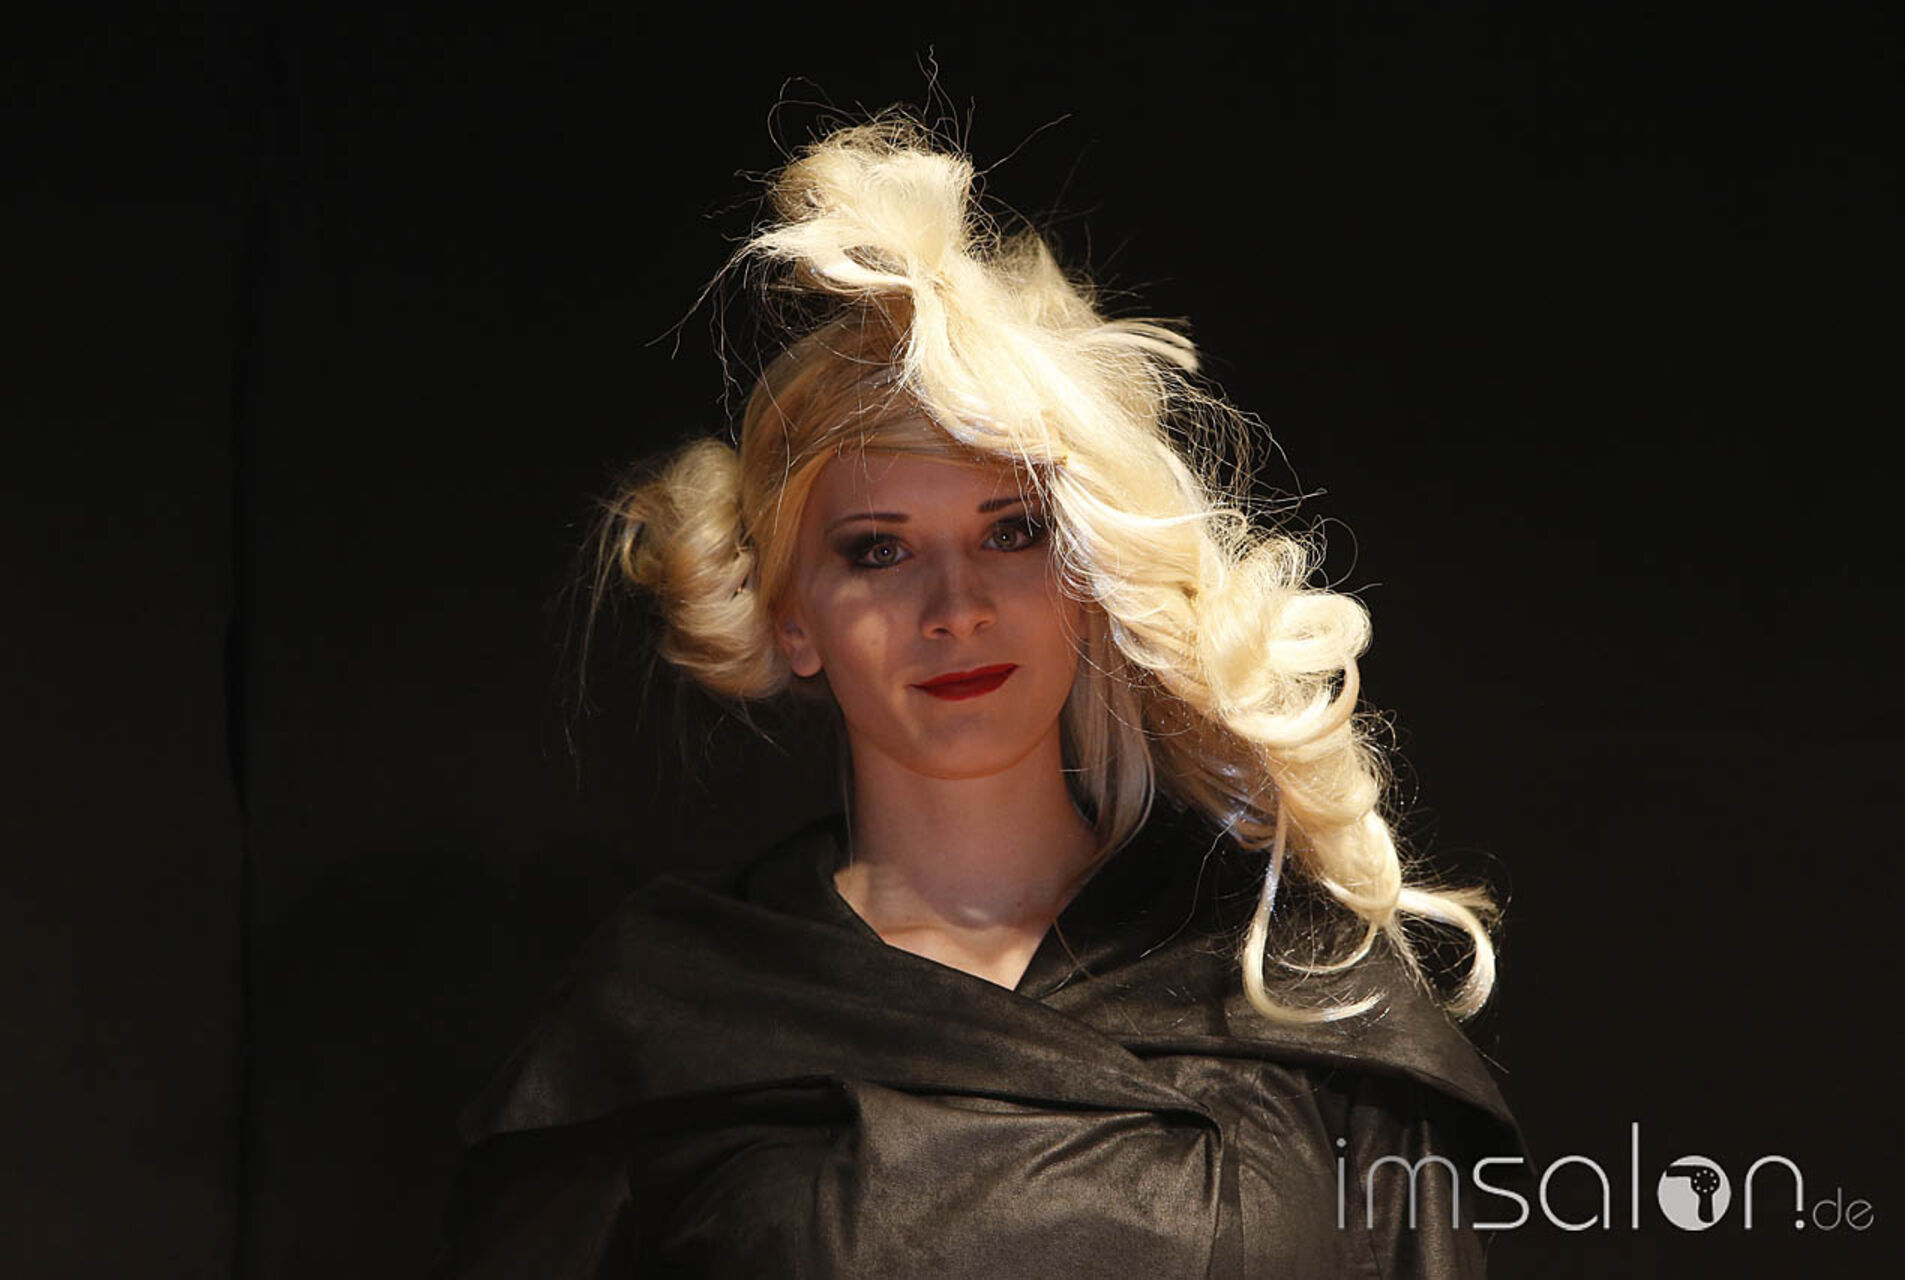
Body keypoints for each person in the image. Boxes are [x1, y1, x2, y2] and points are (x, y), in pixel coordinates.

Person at [429, 111, 1529, 1278]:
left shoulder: (1293, 982)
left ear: (1089, 575)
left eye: (1012, 531)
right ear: (792, 617)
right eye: (879, 550)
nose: (955, 607)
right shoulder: (671, 1019)